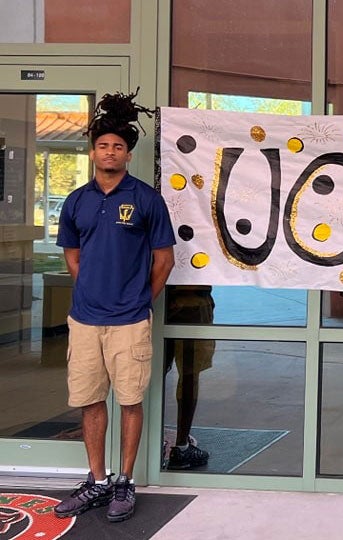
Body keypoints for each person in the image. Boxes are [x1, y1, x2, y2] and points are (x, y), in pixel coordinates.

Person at [53, 90, 175, 523]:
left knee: (129, 400)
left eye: (118, 146)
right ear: (92, 152)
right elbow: (72, 253)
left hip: (129, 320)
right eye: (103, 145)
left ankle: (124, 482)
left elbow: (164, 259)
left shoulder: (145, 199)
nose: (110, 151)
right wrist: (89, 289)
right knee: (89, 400)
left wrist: (142, 300)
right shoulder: (77, 201)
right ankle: (96, 480)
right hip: (85, 319)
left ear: (128, 154)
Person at [163, 285, 215, 470]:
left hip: (157, 298)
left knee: (151, 371)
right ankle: (181, 446)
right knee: (189, 374)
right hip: (192, 302)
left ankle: (149, 442)